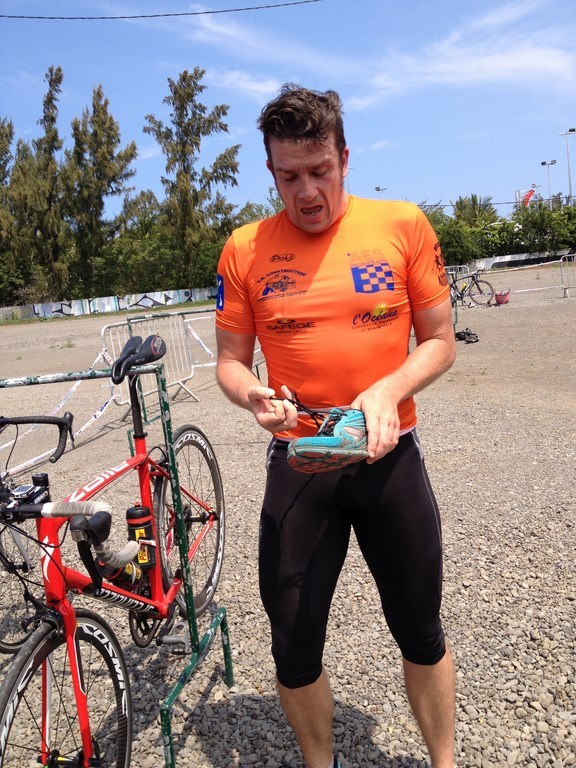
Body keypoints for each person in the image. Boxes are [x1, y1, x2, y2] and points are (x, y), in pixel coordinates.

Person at [215, 84, 457, 768]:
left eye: (320, 171)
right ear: (271, 172)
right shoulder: (244, 249)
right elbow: (230, 363)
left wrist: (388, 388)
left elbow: (440, 342)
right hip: (301, 462)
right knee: (293, 647)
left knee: (421, 631)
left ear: (345, 159)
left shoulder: (402, 225)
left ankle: (445, 762)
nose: (307, 192)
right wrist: (253, 395)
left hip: (388, 457)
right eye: (289, 176)